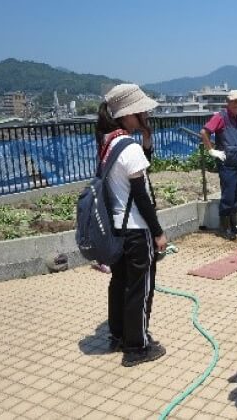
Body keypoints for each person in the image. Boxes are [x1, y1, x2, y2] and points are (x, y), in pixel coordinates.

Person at [95, 84, 167, 367]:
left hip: (117, 227)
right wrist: (158, 232)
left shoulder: (109, 143)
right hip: (138, 230)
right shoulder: (129, 146)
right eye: (141, 111)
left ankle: (118, 335)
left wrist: (146, 139)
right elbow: (141, 194)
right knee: (141, 287)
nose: (145, 114)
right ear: (127, 115)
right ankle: (137, 346)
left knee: (120, 282)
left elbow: (136, 170)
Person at [200, 90, 237, 241]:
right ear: (228, 101)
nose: (236, 104)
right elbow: (204, 132)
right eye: (234, 101)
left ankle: (233, 225)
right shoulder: (221, 117)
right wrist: (211, 151)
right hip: (227, 163)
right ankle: (223, 227)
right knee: (228, 195)